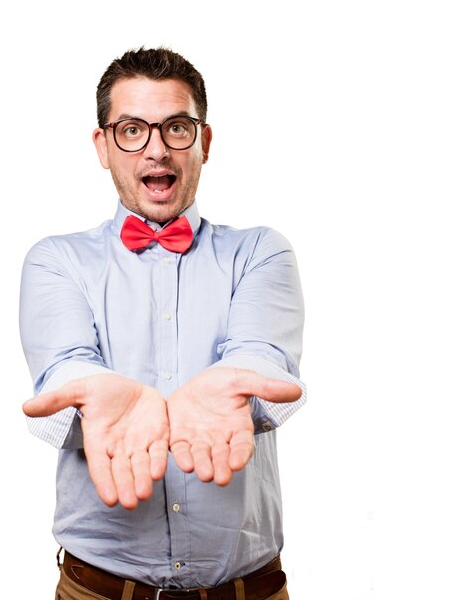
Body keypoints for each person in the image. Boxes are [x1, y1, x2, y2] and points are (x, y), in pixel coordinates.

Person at [20, 47, 306, 600]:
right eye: (131, 129)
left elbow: (264, 358)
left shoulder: (261, 253)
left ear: (204, 141)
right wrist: (91, 392)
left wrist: (238, 382)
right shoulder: (56, 261)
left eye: (176, 127)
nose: (156, 149)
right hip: (97, 589)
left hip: (247, 588)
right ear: (103, 146)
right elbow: (63, 368)